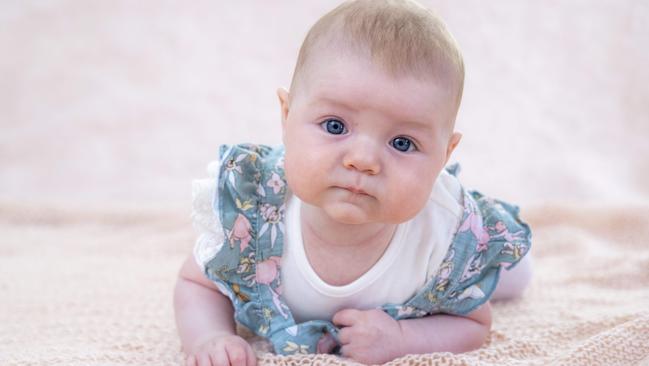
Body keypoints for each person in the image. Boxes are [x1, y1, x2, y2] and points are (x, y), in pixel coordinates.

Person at [174, 0, 532, 365]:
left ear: (444, 155)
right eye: (335, 126)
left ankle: (511, 265)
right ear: (287, 116)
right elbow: (198, 283)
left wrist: (404, 338)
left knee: (513, 277)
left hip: (443, 250)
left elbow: (474, 322)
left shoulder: (444, 236)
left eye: (403, 143)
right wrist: (211, 335)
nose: (362, 160)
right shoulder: (253, 211)